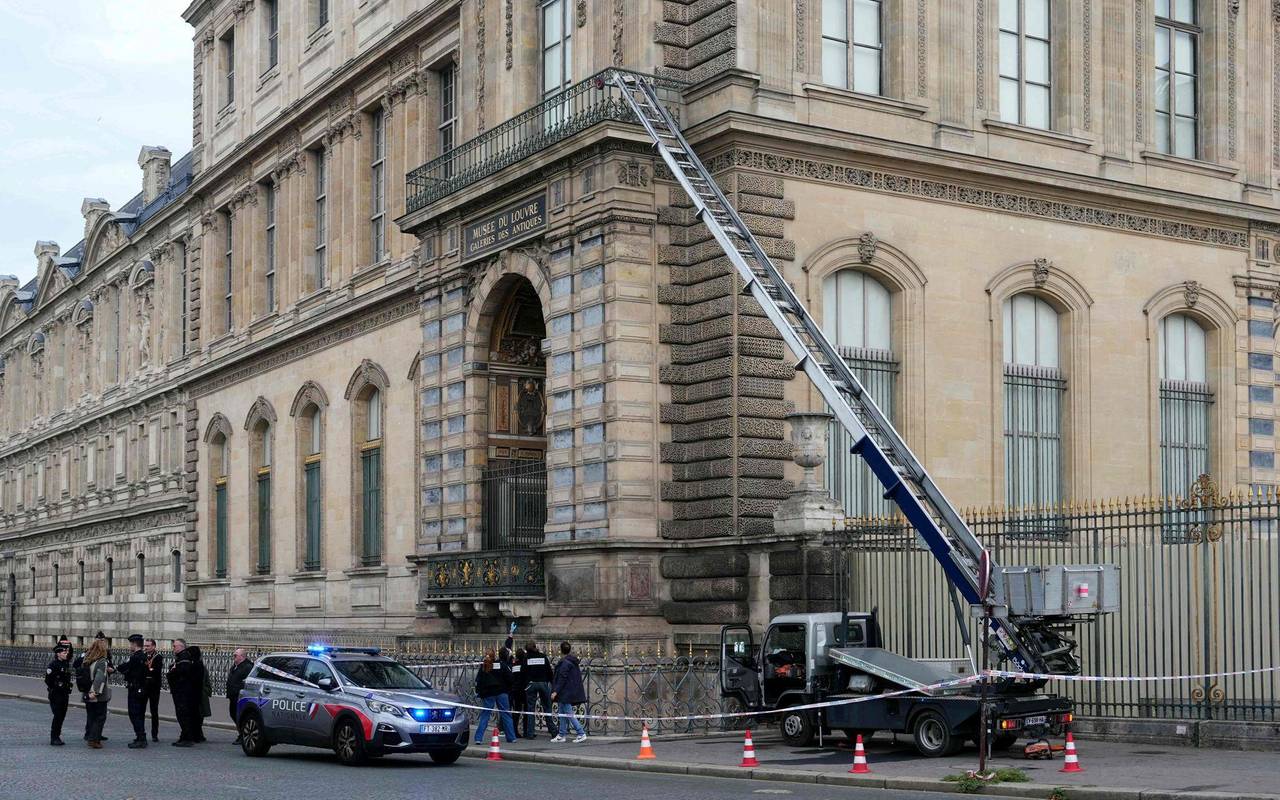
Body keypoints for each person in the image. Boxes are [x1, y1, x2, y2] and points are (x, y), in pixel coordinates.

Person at [473, 651, 517, 745]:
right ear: (495, 656)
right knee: (506, 714)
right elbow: (510, 677)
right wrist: (508, 688)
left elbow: (479, 681)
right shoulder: (501, 665)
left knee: (485, 715)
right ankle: (511, 737)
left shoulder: (484, 666)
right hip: (502, 692)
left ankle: (478, 738)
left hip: (488, 693)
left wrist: (480, 693)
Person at [550, 641, 587, 743]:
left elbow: (562, 678)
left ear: (560, 650)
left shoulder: (565, 663)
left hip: (565, 692)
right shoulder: (572, 661)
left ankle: (581, 733)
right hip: (568, 691)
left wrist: (555, 691)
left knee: (569, 714)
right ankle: (561, 734)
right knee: (562, 713)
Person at [167, 639, 200, 747]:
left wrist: (172, 671)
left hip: (182, 691)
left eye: (175, 646)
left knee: (183, 715)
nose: (173, 648)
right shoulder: (181, 657)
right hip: (180, 690)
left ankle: (187, 738)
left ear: (181, 646)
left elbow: (183, 672)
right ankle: (184, 736)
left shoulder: (184, 657)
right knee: (182, 715)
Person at [522, 641, 557, 739]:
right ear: (535, 647)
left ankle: (530, 733)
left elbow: (523, 671)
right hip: (543, 683)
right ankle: (553, 731)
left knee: (531, 709)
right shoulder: (543, 656)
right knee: (547, 707)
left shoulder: (527, 658)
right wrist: (551, 682)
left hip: (531, 684)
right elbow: (549, 671)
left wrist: (526, 683)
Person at [120, 634, 149, 748]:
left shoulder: (135, 657)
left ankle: (141, 738)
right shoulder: (144, 656)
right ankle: (140, 736)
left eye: (130, 644)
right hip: (142, 689)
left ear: (134, 644)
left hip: (135, 689)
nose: (130, 646)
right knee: (139, 714)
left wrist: (118, 669)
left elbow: (124, 667)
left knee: (134, 714)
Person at [82, 639, 111, 749]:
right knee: (100, 717)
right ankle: (94, 739)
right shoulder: (102, 661)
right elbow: (99, 678)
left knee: (91, 716)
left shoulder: (88, 659)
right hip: (97, 695)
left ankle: (89, 735)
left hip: (86, 691)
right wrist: (94, 692)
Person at [45, 643, 72, 746]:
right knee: (58, 716)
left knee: (62, 716)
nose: (66, 654)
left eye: (66, 652)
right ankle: (54, 737)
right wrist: (57, 686)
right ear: (58, 654)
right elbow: (48, 680)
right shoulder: (53, 665)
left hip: (64, 694)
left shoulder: (65, 663)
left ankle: (58, 735)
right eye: (64, 653)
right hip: (56, 694)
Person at [225, 648, 253, 745]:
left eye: (235, 655)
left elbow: (248, 681)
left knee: (239, 716)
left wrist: (239, 689)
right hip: (233, 695)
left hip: (240, 696)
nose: (234, 657)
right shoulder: (235, 666)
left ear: (242, 656)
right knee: (233, 714)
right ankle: (242, 733)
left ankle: (242, 735)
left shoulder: (247, 667)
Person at [142, 638, 164, 742]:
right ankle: (141, 733)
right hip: (144, 687)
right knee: (141, 710)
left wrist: (148, 670)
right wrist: (149, 670)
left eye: (148, 646)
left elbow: (156, 671)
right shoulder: (142, 656)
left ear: (154, 646)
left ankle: (154, 734)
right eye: (145, 646)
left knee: (154, 711)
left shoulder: (158, 657)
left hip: (154, 688)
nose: (146, 647)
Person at [193, 645, 211, 743]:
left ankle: (197, 734)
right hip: (199, 694)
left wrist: (206, 691)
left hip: (200, 694)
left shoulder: (200, 667)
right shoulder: (198, 666)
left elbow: (207, 681)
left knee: (199, 715)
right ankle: (198, 734)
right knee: (198, 715)